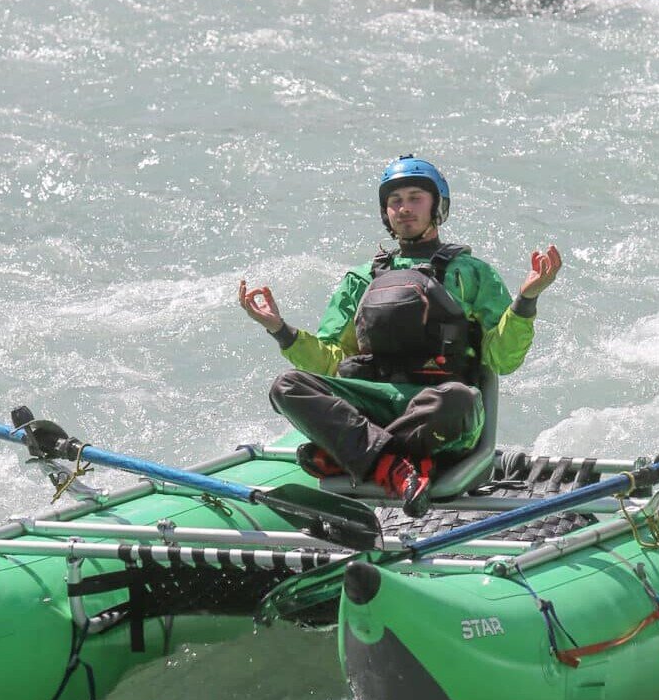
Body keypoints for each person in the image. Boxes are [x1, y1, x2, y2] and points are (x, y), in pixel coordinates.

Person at [239, 155, 560, 517]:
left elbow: (502, 358)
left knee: (458, 399)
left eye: (415, 198)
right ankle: (393, 466)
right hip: (375, 403)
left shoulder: (470, 272)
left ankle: (350, 453)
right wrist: (279, 329)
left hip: (438, 410)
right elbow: (331, 362)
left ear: (438, 206)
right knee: (287, 387)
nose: (404, 208)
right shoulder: (361, 279)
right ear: (385, 212)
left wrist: (526, 299)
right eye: (395, 201)